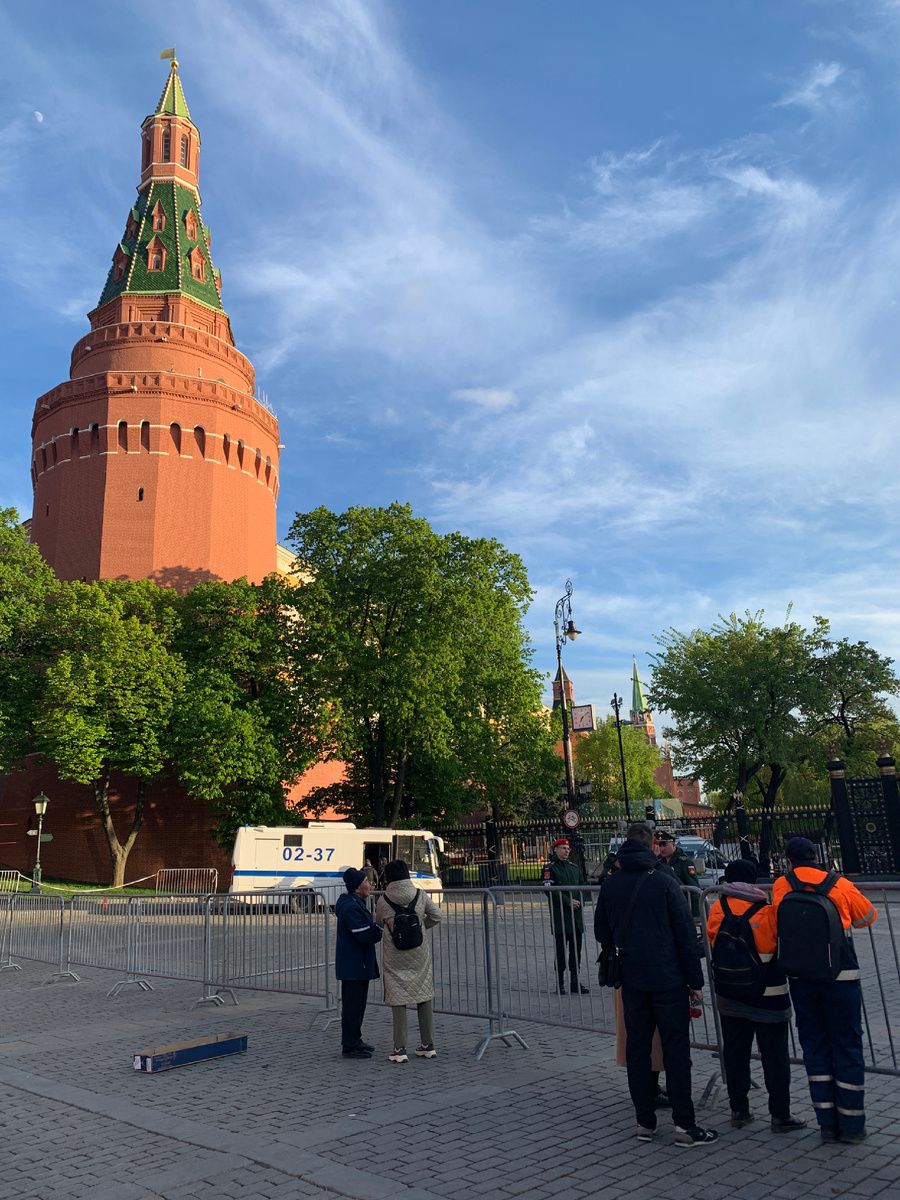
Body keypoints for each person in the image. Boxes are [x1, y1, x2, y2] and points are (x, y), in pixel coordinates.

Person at [594, 822, 718, 1146]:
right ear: (652, 847)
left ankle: (644, 1122)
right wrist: (695, 981)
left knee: (638, 1049)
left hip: (632, 979)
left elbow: (601, 933)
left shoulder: (610, 884)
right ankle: (684, 1125)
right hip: (667, 978)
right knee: (676, 1050)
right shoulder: (665, 880)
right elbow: (683, 935)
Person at [772, 837, 877, 1145]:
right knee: (846, 1045)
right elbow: (867, 917)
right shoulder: (839, 883)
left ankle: (826, 1124)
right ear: (816, 857)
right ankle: (853, 1124)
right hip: (841, 974)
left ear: (788, 861)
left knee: (815, 1046)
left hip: (802, 976)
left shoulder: (782, 885)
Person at [706, 859, 806, 1132]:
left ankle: (739, 1109)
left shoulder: (717, 908)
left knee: (736, 1052)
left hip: (730, 992)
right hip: (768, 993)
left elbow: (712, 939)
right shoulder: (768, 911)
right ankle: (780, 1114)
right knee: (775, 1055)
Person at [374, 859, 443, 1062]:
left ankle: (400, 1048)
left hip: (395, 953)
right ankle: (428, 1044)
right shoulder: (420, 895)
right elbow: (437, 915)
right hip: (419, 952)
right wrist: (421, 928)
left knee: (398, 998)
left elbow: (379, 922)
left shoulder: (384, 900)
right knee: (424, 994)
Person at [335, 866, 382, 1059]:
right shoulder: (351, 907)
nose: (370, 886)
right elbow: (364, 935)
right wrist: (376, 927)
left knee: (358, 1005)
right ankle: (350, 1044)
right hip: (354, 965)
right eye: (366, 882)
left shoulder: (355, 903)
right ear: (356, 888)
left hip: (358, 964)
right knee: (352, 1006)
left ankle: (355, 1039)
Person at [543, 837, 590, 994]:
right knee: (561, 951)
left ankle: (575, 982)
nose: (566, 851)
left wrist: (579, 901)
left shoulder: (574, 868)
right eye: (563, 848)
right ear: (555, 850)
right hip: (561, 917)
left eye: (567, 849)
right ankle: (560, 983)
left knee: (576, 952)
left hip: (575, 918)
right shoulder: (551, 869)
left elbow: (583, 885)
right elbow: (550, 890)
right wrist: (568, 901)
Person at [657, 830, 700, 918]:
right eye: (660, 845)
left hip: (681, 905)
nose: (662, 849)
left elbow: (694, 888)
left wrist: (696, 914)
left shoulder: (684, 862)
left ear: (673, 845)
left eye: (665, 845)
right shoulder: (659, 862)